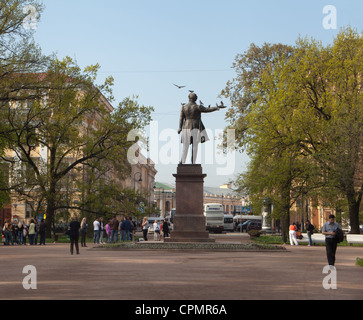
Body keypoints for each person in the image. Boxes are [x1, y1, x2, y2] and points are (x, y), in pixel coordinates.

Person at [178, 92, 224, 164]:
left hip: (186, 126)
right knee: (195, 145)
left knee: (185, 145)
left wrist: (180, 128)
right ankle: (193, 162)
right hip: (195, 125)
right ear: (195, 99)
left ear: (189, 98)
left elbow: (181, 118)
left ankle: (182, 161)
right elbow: (207, 109)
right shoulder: (197, 107)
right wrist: (216, 108)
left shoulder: (183, 107)